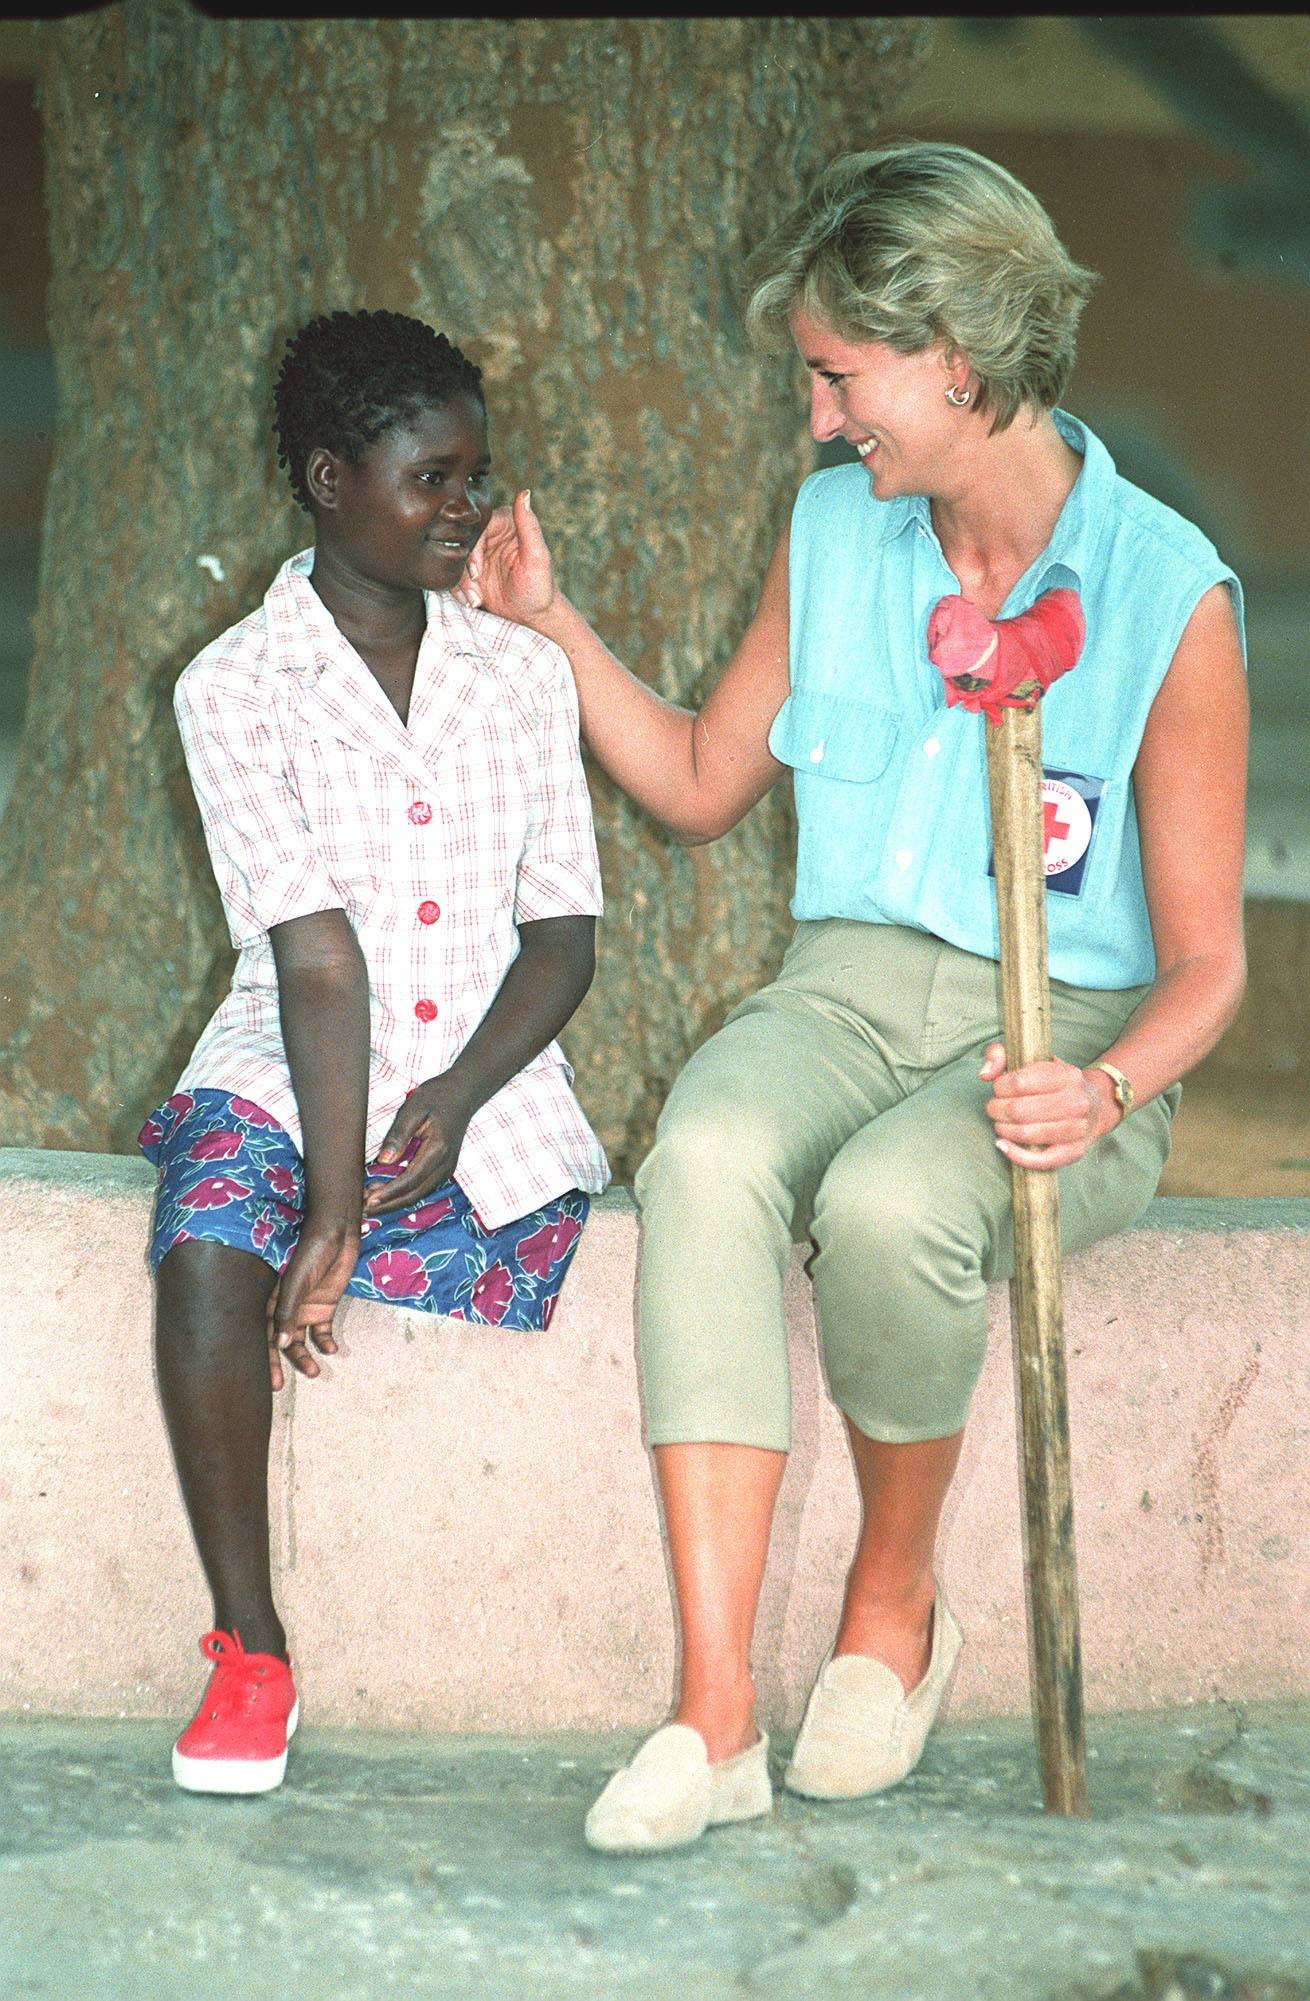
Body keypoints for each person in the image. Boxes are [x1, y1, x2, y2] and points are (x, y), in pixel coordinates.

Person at [455, 142, 1249, 1852]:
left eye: (839, 377)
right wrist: (549, 624)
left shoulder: (1165, 595)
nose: (819, 421)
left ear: (955, 355)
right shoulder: (833, 529)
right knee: (709, 1149)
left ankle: (891, 1610)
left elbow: (1208, 967)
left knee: (898, 1200)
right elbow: (690, 779)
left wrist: (1100, 1093)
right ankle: (714, 1713)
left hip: (1073, 1038)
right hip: (845, 991)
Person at [138, 308, 608, 1795]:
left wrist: (461, 1097)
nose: (467, 507)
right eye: (432, 478)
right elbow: (317, 962)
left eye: (476, 474)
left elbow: (562, 938)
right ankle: (250, 1646)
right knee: (215, 1238)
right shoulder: (232, 688)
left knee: (482, 1227)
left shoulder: (521, 678)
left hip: (478, 1063)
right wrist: (328, 1208)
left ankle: (377, 1195)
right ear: (331, 478)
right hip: (295, 1045)